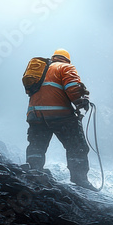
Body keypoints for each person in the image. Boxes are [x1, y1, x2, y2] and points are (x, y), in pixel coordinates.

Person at [24, 48, 96, 190]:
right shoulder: (66, 67)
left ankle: (33, 170)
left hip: (35, 115)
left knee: (37, 145)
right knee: (77, 146)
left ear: (54, 57)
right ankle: (79, 179)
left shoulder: (40, 71)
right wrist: (81, 101)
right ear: (66, 59)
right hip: (59, 115)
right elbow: (72, 87)